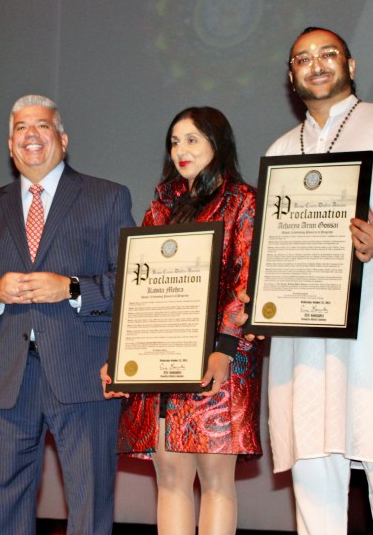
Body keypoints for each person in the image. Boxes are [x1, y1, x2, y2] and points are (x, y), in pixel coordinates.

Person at [237, 27, 373, 535]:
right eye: (302, 59)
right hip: (301, 340)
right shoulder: (280, 149)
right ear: (291, 76)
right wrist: (263, 292)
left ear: (351, 65)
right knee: (313, 480)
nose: (315, 65)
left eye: (328, 55)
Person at [0, 94, 136, 535]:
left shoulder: (107, 197)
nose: (31, 135)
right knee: (7, 512)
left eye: (43, 126)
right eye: (20, 129)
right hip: (3, 382)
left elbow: (129, 282)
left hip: (83, 373)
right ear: (10, 146)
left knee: (91, 509)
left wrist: (70, 288)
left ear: (63, 139)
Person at [102, 106, 263, 535]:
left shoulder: (243, 201)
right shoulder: (161, 207)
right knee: (170, 479)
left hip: (222, 361)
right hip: (162, 358)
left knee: (215, 482)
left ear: (217, 143)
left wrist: (225, 349)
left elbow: (247, 282)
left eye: (192, 139)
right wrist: (121, 356)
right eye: (174, 141)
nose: (181, 150)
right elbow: (139, 289)